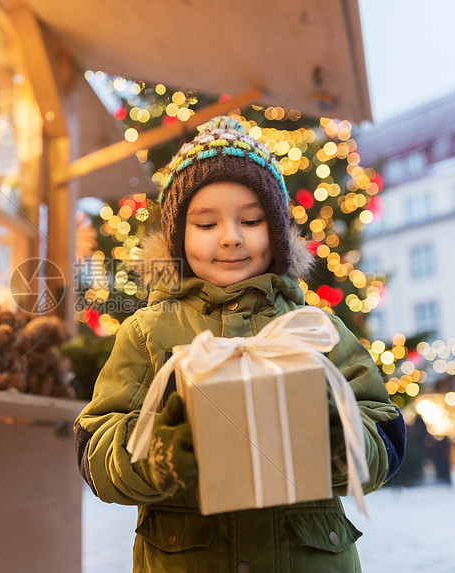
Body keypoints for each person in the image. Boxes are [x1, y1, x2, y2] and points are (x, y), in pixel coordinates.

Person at [74, 116, 406, 572]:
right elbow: (95, 446)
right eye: (206, 223)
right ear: (177, 236)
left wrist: (336, 436)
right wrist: (154, 453)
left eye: (251, 220)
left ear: (276, 230)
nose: (231, 237)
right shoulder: (149, 333)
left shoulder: (314, 329)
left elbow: (384, 431)